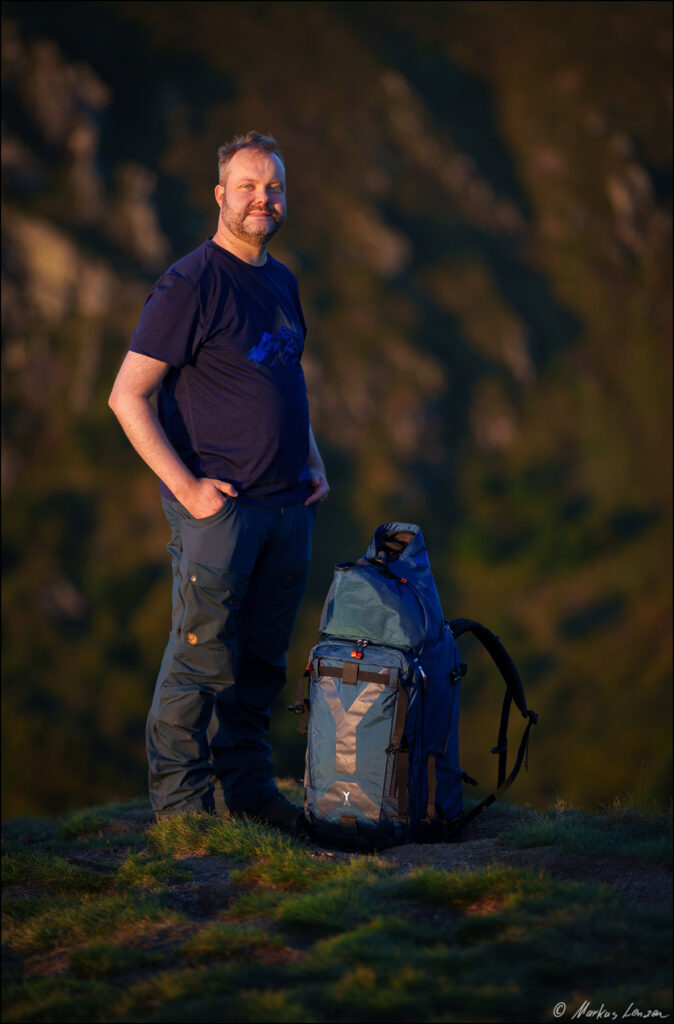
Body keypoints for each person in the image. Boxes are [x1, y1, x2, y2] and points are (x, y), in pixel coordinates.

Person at [108, 131, 328, 828]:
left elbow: (284, 376)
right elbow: (127, 396)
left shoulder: (280, 278)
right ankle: (181, 812)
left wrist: (312, 458)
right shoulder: (191, 281)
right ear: (220, 196)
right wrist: (190, 489)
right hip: (221, 509)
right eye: (248, 186)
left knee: (261, 662)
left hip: (287, 504)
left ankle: (253, 795)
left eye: (273, 188)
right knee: (200, 661)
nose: (263, 199)